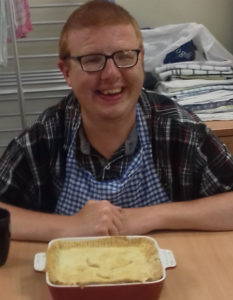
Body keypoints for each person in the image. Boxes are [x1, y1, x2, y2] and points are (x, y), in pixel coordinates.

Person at [0, 0, 233, 242]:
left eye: (124, 56)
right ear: (66, 72)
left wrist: (152, 216)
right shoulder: (44, 139)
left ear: (141, 60)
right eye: (92, 60)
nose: (111, 74)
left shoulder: (179, 130)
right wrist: (69, 227)